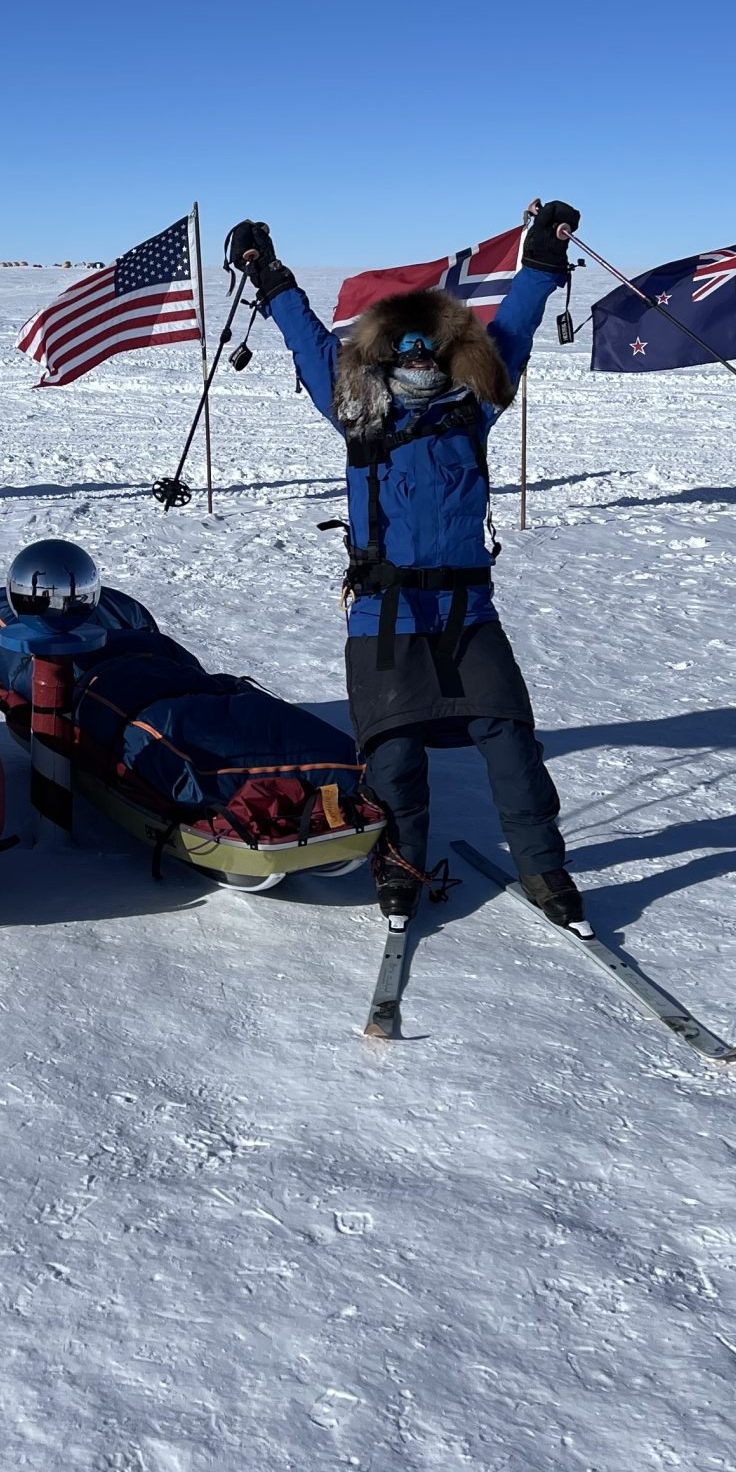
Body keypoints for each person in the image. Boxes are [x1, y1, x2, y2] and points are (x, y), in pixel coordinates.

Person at [223, 201, 588, 930]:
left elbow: (511, 331)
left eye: (432, 342)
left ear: (450, 349)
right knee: (392, 758)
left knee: (512, 744)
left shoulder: (474, 403)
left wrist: (543, 263)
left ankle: (546, 874)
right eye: (406, 342)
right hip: (382, 611)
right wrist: (269, 274)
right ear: (386, 350)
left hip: (467, 610)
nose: (420, 353)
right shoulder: (358, 408)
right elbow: (303, 338)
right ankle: (398, 868)